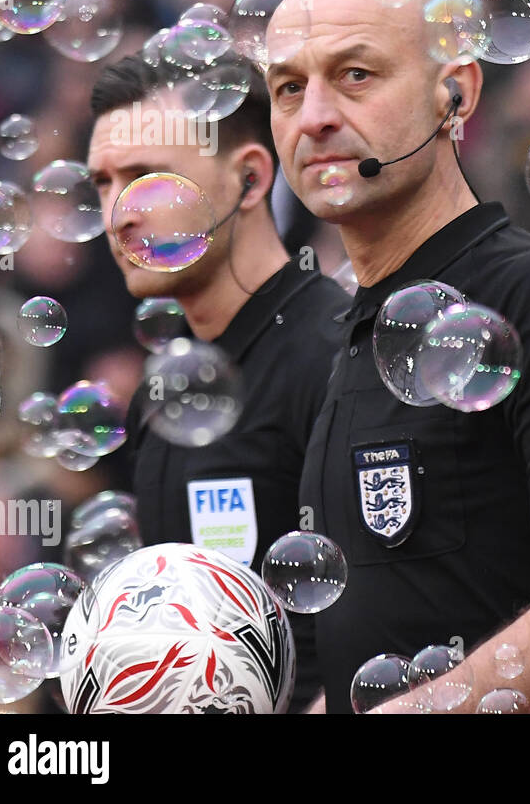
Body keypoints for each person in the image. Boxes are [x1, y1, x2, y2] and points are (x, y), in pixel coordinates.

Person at [266, 0, 530, 714]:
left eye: (355, 74)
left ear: (456, 94)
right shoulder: (341, 334)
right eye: (289, 87)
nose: (314, 115)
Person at [87, 56, 349, 711]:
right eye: (102, 182)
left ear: (251, 179)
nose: (118, 213)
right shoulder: (161, 390)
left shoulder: (341, 355)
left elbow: (401, 626)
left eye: (146, 176)